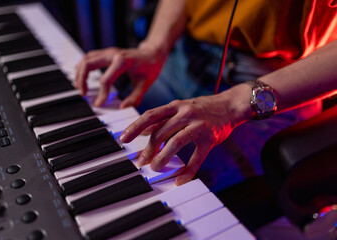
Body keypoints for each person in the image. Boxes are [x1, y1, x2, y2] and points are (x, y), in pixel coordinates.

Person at [75, 0, 337, 192]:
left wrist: (231, 105)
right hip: (181, 57)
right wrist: (153, 47)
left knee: (148, 189)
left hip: (267, 93)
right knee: (90, 147)